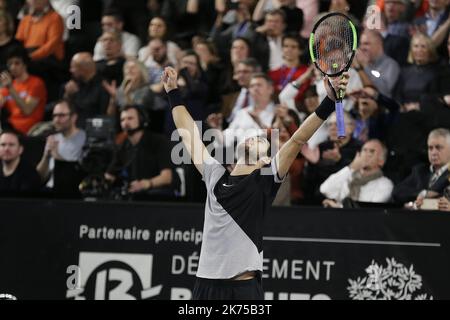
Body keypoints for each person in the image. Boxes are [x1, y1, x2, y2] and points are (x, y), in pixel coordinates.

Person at [162, 66, 349, 300]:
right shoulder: (214, 174)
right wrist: (173, 92)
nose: (254, 137)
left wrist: (329, 103)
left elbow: (298, 138)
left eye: (261, 140)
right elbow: (187, 132)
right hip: (205, 287)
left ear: (266, 158)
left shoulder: (266, 180)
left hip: (243, 290)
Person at [105, 105, 173, 199]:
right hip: (133, 197)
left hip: (158, 197)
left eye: (130, 118)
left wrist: (147, 183)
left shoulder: (158, 141)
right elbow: (110, 175)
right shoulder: (122, 146)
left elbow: (167, 177)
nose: (126, 123)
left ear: (142, 120)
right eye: (122, 120)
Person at [320, 139, 394, 208]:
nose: (366, 154)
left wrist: (339, 208)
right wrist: (351, 167)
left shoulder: (385, 184)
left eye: (372, 151)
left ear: (381, 161)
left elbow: (371, 210)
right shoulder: (348, 176)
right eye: (364, 150)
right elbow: (325, 190)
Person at [36, 99, 86, 196]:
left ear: (73, 117)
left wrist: (56, 155)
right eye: (54, 116)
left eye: (61, 115)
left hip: (70, 193)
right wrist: (46, 157)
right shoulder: (53, 138)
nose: (56, 120)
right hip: (49, 190)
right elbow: (39, 178)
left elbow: (75, 176)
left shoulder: (84, 139)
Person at [392, 128, 450, 207]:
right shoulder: (420, 171)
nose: (433, 152)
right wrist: (424, 193)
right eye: (430, 148)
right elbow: (397, 192)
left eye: (438, 147)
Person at [0, 46, 47, 135]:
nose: (13, 67)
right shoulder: (9, 84)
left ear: (25, 64)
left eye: (17, 63)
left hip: (30, 129)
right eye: (10, 64)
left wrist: (10, 88)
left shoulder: (36, 83)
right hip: (10, 127)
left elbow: (27, 110)